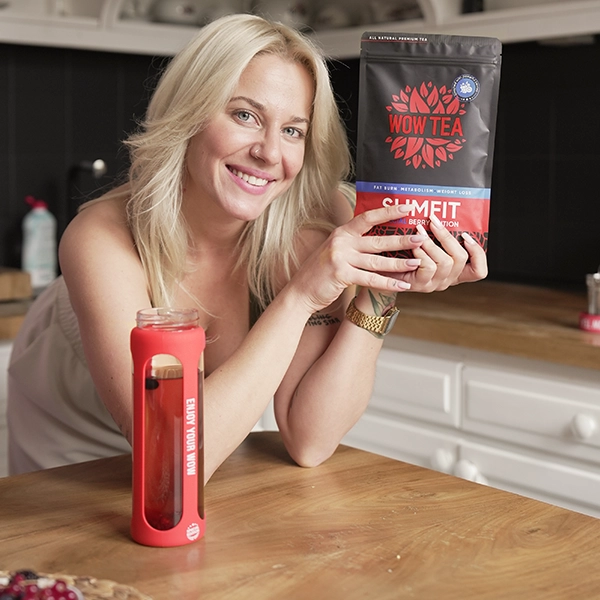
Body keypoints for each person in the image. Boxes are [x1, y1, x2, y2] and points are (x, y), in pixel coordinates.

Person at [7, 14, 487, 479]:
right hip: (71, 455)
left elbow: (310, 441)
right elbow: (169, 459)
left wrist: (380, 288)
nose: (270, 153)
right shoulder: (102, 239)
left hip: (211, 444)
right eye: (245, 116)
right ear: (189, 113)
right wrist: (301, 295)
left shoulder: (314, 224)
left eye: (293, 130)